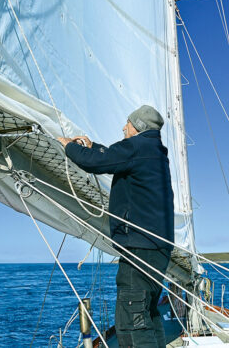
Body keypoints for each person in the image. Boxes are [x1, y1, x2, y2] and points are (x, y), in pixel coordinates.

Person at [58, 105, 174, 347]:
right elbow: (112, 155)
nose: (124, 127)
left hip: (139, 248)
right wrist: (95, 147)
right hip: (158, 250)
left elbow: (94, 163)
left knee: (130, 321)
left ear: (138, 127)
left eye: (128, 123)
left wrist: (68, 145)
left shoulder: (136, 147)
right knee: (148, 314)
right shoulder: (155, 152)